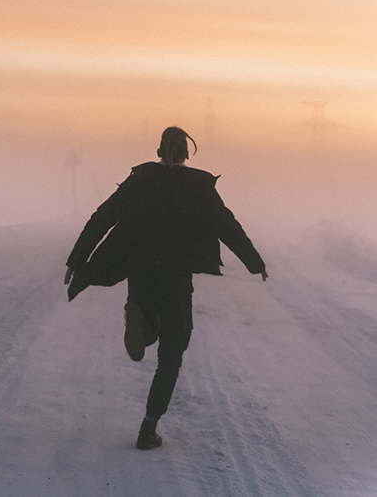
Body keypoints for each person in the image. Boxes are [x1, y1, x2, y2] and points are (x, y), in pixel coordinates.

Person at [64, 127, 268, 450]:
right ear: (187, 153)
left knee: (147, 319)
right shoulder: (199, 187)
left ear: (158, 152)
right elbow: (226, 224)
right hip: (176, 280)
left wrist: (77, 259)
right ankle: (149, 427)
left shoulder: (140, 180)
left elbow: (103, 217)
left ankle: (142, 323)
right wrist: (255, 261)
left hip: (141, 274)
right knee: (172, 354)